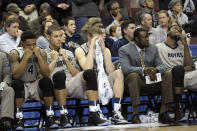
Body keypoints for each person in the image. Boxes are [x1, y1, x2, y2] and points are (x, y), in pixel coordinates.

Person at [45, 25, 110, 126]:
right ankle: (64, 115)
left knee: (89, 72)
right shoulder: (43, 53)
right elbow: (44, 75)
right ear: (48, 37)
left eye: (60, 36)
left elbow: (76, 73)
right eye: (55, 36)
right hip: (53, 85)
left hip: (70, 83)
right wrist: (54, 60)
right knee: (60, 75)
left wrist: (66, 60)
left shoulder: (69, 53)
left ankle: (93, 112)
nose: (59, 39)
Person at [119, 28, 174, 124]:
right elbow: (126, 68)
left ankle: (163, 112)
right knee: (133, 76)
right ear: (136, 39)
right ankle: (135, 114)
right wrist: (144, 70)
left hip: (152, 80)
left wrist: (155, 70)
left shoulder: (153, 48)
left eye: (148, 37)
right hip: (136, 83)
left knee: (168, 74)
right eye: (145, 37)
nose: (148, 39)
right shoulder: (124, 50)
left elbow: (162, 66)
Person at [75, 25, 128, 125]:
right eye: (96, 38)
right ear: (89, 37)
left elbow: (111, 71)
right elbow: (87, 69)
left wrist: (104, 51)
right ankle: (96, 111)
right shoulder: (80, 50)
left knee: (118, 73)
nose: (98, 41)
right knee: (92, 75)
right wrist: (91, 49)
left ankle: (116, 111)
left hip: (103, 80)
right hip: (87, 83)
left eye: (100, 38)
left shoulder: (106, 50)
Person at [9, 31, 58, 130]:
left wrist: (39, 57)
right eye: (28, 45)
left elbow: (46, 73)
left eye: (34, 44)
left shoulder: (41, 52)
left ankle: (49, 116)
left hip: (35, 83)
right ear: (22, 44)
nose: (32, 47)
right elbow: (16, 75)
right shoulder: (14, 53)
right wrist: (26, 58)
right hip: (22, 85)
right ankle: (19, 118)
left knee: (47, 81)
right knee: (16, 83)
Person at [156, 25, 197, 121]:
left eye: (179, 30)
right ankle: (177, 108)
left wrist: (185, 45)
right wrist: (181, 69)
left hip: (184, 76)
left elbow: (190, 67)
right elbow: (158, 67)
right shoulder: (158, 47)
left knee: (181, 70)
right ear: (168, 32)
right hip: (167, 77)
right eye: (174, 29)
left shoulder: (183, 47)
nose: (177, 31)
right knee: (177, 70)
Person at [0, 52, 14, 131]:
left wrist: (4, 84)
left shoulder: (2, 56)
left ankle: (5, 121)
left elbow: (7, 74)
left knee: (9, 90)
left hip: (0, 88)